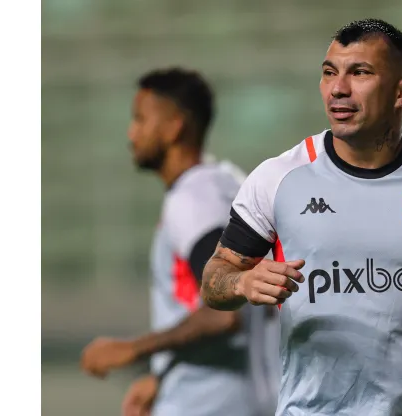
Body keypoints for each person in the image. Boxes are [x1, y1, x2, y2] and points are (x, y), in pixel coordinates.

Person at [200, 18, 402, 416]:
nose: (338, 88)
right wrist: (243, 281)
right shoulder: (277, 179)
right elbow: (214, 279)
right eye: (329, 73)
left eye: (360, 73)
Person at [79, 67, 278, 416]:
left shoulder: (191, 199)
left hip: (205, 404)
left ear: (174, 128)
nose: (131, 133)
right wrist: (161, 373)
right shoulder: (225, 183)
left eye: (140, 119)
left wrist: (135, 349)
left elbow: (224, 308)